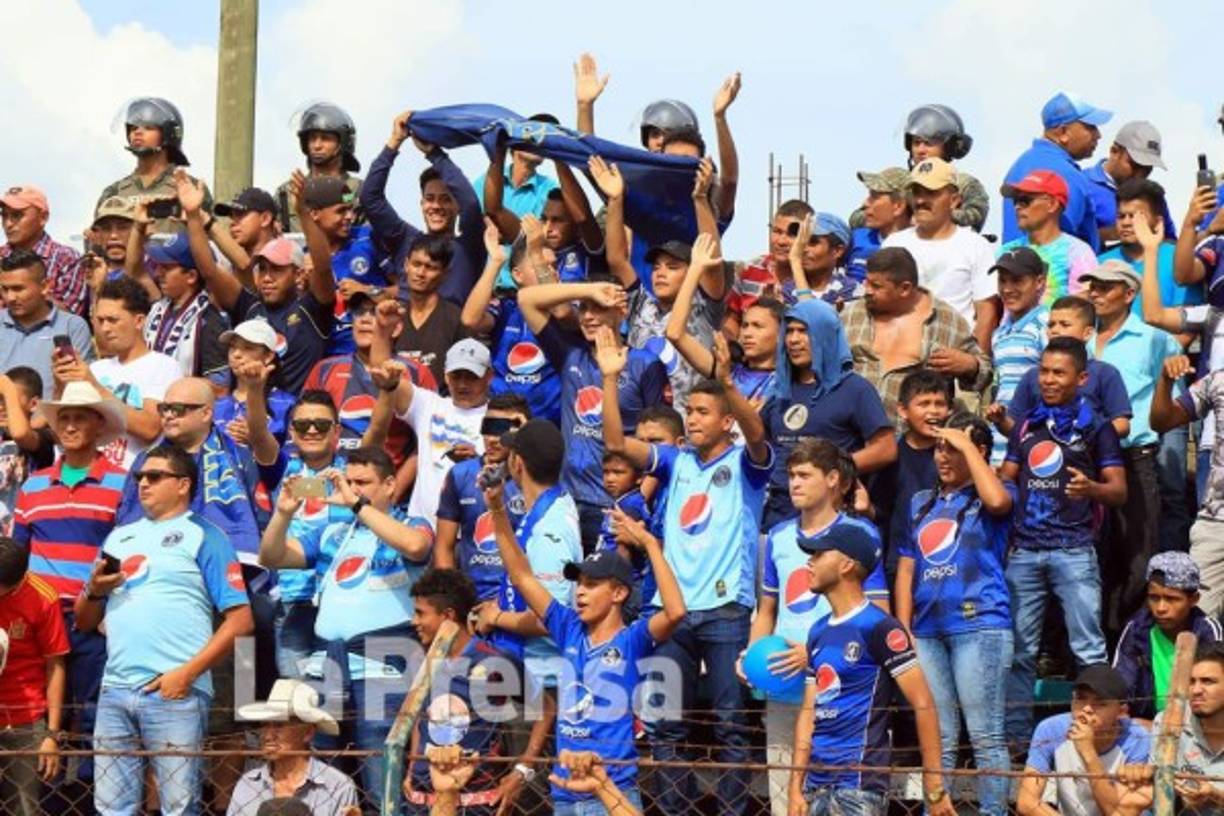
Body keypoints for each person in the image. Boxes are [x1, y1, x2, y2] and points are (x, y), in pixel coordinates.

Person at [600, 321, 771, 815]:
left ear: (726, 421)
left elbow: (758, 434)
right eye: (689, 411)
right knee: (665, 723)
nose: (692, 419)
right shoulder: (675, 461)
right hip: (669, 611)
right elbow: (617, 443)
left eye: (702, 412)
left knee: (731, 725)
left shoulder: (747, 465)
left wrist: (730, 384)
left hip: (726, 609)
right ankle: (675, 810)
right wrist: (610, 379)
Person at [481, 419, 687, 816]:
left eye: (592, 585)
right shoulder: (568, 628)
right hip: (564, 793)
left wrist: (649, 543)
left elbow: (675, 612)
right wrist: (496, 508)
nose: (580, 592)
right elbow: (522, 575)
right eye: (579, 584)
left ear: (619, 593)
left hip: (613, 791)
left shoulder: (632, 639)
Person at [76, 444, 254, 816]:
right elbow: (84, 621)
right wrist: (94, 591)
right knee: (111, 808)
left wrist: (186, 675)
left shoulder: (207, 535)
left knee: (179, 808)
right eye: (140, 476)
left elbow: (241, 621)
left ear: (183, 484)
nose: (143, 483)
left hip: (175, 692)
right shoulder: (118, 537)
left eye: (155, 477)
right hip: (115, 689)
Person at [258, 447, 434, 808]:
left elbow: (416, 547)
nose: (352, 489)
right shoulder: (332, 532)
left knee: (382, 787)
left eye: (362, 483)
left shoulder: (411, 523)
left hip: (384, 669)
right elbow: (271, 556)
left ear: (389, 484)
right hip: (326, 668)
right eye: (348, 482)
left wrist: (357, 505)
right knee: (323, 786)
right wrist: (283, 513)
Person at [750, 441, 889, 816]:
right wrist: (752, 654)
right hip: (782, 681)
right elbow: (767, 610)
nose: (794, 483)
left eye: (804, 475)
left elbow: (879, 614)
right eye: (791, 475)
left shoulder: (860, 534)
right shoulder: (778, 535)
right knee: (785, 801)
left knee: (836, 798)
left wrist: (812, 654)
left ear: (833, 479)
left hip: (841, 688)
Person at [1002, 338, 1128, 746]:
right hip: (1024, 552)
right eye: (1044, 371)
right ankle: (1018, 744)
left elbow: (1119, 490)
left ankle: (1100, 738)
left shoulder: (1097, 426)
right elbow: (1007, 476)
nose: (1049, 380)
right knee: (1018, 652)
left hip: (1074, 550)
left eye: (1059, 372)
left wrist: (1091, 488)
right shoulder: (1026, 424)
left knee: (1088, 651)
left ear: (1082, 378)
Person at [789, 522, 955, 816]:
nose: (809, 562)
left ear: (846, 565)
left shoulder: (880, 627)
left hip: (858, 788)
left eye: (819, 554)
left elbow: (923, 703)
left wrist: (934, 784)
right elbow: (808, 712)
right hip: (815, 788)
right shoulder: (817, 631)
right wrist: (795, 787)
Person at [11, 381, 126, 805]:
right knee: (44, 713)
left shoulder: (123, 483)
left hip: (93, 615)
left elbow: (125, 551)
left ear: (99, 425)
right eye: (65, 419)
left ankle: (94, 800)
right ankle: (50, 800)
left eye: (80, 418)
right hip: (41, 617)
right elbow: (17, 555)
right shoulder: (33, 486)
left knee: (94, 711)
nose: (71, 426)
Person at [895, 414, 1015, 816]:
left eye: (954, 448)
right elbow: (907, 566)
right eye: (939, 448)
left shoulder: (996, 490)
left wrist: (966, 445)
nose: (943, 456)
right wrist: (904, 626)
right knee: (939, 738)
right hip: (927, 630)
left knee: (985, 736)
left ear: (978, 452)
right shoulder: (921, 502)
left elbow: (998, 503)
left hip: (980, 624)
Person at [517, 278, 668, 550]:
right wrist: (588, 290)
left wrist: (634, 504)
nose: (587, 316)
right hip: (566, 501)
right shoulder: (570, 354)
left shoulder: (645, 365)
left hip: (613, 505)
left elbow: (660, 442)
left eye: (598, 307)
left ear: (621, 311)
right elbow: (526, 299)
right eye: (583, 308)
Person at [1082, 259, 1181, 639]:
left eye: (1105, 287)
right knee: (1093, 557)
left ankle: (1128, 640)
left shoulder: (1154, 339)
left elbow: (1173, 403)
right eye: (1093, 285)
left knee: (1139, 556)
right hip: (1087, 460)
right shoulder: (1082, 339)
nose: (1096, 293)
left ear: (1129, 294)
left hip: (1134, 456)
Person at [404, 567, 546, 816]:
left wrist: (522, 771)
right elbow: (421, 717)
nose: (413, 621)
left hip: (474, 802)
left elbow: (546, 708)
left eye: (420, 613)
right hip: (420, 799)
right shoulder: (423, 661)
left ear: (448, 616)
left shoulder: (493, 660)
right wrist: (412, 767)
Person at [592, 159, 725, 412]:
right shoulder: (641, 304)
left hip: (689, 423)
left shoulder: (703, 307)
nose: (660, 273)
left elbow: (711, 258)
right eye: (656, 267)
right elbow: (617, 259)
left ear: (692, 271)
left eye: (672, 267)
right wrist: (616, 200)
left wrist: (700, 199)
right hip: (644, 425)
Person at [764, 297, 895, 529]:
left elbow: (886, 449)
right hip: (778, 515)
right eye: (789, 331)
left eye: (803, 331)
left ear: (824, 334)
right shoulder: (778, 390)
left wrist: (832, 467)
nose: (793, 339)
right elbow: (762, 445)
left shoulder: (854, 389)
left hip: (831, 517)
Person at [841, 246, 991, 425]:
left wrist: (970, 365)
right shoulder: (851, 315)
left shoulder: (947, 320)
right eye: (867, 282)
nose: (867, 290)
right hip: (852, 432)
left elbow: (985, 370)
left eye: (876, 286)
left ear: (905, 288)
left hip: (914, 436)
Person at [463, 211, 587, 424]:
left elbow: (561, 311)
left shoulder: (568, 308)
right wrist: (495, 262)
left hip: (548, 426)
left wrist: (536, 252)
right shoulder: (506, 309)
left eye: (554, 266)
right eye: (541, 265)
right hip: (501, 422)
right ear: (517, 275)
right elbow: (470, 320)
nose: (552, 271)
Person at [361, 110, 486, 306]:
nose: (436, 206)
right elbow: (370, 198)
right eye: (429, 199)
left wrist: (435, 154)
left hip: (452, 325)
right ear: (421, 204)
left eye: (445, 199)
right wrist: (394, 142)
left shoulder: (469, 245)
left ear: (457, 206)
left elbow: (470, 203)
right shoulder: (406, 239)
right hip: (404, 323)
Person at [56, 277, 182, 469]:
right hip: (91, 476)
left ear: (139, 321)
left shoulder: (163, 366)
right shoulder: (96, 369)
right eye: (100, 320)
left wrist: (95, 386)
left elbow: (149, 428)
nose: (105, 328)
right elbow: (61, 430)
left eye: (113, 320)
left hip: (135, 477)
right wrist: (60, 383)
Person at [883, 157, 998, 350]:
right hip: (901, 352)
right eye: (916, 192)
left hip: (954, 352)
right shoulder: (894, 244)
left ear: (954, 200)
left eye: (931, 193)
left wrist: (974, 362)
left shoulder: (976, 246)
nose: (920, 200)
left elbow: (987, 313)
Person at [1016, 665, 1151, 816]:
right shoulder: (1051, 729)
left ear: (1121, 712)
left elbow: (1119, 813)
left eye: (1100, 703)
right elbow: (1026, 802)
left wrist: (1088, 752)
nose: (1086, 709)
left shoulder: (1136, 738)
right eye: (1080, 698)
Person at [434, 395, 529, 602]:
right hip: (471, 599)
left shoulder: (532, 479)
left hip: (518, 598)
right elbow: (443, 547)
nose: (492, 438)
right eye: (488, 427)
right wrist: (453, 602)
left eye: (502, 430)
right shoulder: (460, 475)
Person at [1112, 642, 1224, 813]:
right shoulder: (1170, 722)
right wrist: (1140, 781)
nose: (1196, 690)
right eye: (1191, 682)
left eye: (1208, 681)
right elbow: (1156, 787)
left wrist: (1215, 795)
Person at [1152, 353, 1224, 617]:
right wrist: (1166, 381)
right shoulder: (1217, 381)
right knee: (1195, 622)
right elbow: (1161, 421)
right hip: (1216, 523)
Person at [1003, 295, 1133, 442]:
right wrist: (1001, 420)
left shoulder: (1105, 373)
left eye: (1064, 325)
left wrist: (1082, 437)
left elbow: (1122, 425)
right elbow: (1015, 428)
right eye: (1051, 325)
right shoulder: (1033, 376)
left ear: (1087, 333)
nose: (1055, 330)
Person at [0, 536, 68, 816]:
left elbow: (56, 665)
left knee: (25, 806)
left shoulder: (43, 598)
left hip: (24, 718)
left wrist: (51, 734)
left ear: (18, 581)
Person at [1113, 551, 1222, 720]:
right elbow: (1120, 685)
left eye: (1172, 599)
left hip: (1197, 722)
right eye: (1154, 598)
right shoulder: (1137, 629)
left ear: (1193, 599)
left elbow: (1216, 693)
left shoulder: (1207, 631)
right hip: (1145, 722)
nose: (1161, 608)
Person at [1002, 91, 1112, 252]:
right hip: (1053, 267)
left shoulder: (1019, 165)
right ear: (1063, 133)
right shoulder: (1068, 174)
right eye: (1090, 127)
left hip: (1011, 264)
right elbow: (1059, 244)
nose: (1098, 135)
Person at [229, 678, 357, 815]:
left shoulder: (337, 787)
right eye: (264, 725)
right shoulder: (248, 784)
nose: (268, 736)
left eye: (279, 726)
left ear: (308, 732)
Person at [872, 370, 951, 580]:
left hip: (945, 564)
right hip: (900, 564)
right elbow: (881, 511)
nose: (933, 411)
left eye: (939, 404)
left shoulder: (955, 455)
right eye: (924, 404)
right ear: (903, 410)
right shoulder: (891, 456)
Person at [128, 223, 230, 383]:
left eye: (166, 268)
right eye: (158, 266)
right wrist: (138, 227)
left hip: (180, 398)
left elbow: (220, 386)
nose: (158, 273)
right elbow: (135, 272)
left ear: (191, 276)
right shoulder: (159, 306)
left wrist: (177, 386)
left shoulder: (208, 320)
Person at [97, 97, 213, 235]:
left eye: (148, 127)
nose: (137, 132)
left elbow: (211, 239)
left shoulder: (191, 189)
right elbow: (99, 239)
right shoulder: (113, 192)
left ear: (168, 134)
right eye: (133, 127)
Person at [983, 247, 1049, 463]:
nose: (1007, 289)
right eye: (1002, 281)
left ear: (1039, 282)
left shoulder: (1047, 325)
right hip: (1001, 446)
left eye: (1017, 280)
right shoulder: (999, 333)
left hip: (1037, 443)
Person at [0, 250, 93, 399]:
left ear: (45, 286)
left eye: (18, 289)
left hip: (55, 412)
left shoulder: (72, 327)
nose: (10, 297)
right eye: (5, 289)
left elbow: (81, 387)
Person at [1101, 179, 1201, 316]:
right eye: (1121, 216)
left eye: (1135, 216)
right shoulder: (1100, 263)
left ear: (1157, 222)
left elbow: (1185, 325)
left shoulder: (1180, 262)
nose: (1126, 223)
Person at [998, 169, 1097, 306]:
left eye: (1025, 201)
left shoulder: (1077, 252)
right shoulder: (1005, 251)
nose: (1017, 207)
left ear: (1052, 204)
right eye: (1016, 201)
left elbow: (1083, 308)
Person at [724, 199, 813, 338]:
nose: (781, 241)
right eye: (777, 231)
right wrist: (730, 346)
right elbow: (732, 318)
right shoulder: (750, 270)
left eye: (792, 234)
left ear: (807, 237)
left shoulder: (814, 275)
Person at [276, 102, 363, 234]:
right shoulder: (288, 192)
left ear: (342, 142)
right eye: (312, 139)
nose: (317, 146)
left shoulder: (357, 191)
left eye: (325, 138)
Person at [1084, 120, 1177, 244]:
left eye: (1148, 167)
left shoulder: (1151, 194)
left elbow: (1171, 241)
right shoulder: (1081, 185)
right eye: (1135, 165)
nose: (1141, 174)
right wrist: (1111, 234)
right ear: (1114, 151)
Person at [392, 235, 467, 388]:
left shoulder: (455, 319)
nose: (421, 273)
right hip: (397, 399)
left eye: (431, 267)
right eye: (416, 264)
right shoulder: (392, 317)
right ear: (406, 265)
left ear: (445, 273)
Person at [0, 184, 86, 317]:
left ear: (43, 217)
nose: (8, 224)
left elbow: (69, 318)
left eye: (17, 215)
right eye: (4, 216)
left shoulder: (66, 259)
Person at [847, 167, 912, 281]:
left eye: (874, 196)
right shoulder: (855, 239)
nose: (865, 203)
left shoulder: (920, 247)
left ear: (898, 206)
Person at [787, 213, 861, 308]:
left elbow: (808, 313)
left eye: (812, 242)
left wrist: (795, 260)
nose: (803, 249)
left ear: (837, 251)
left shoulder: (852, 291)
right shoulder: (787, 291)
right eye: (801, 242)